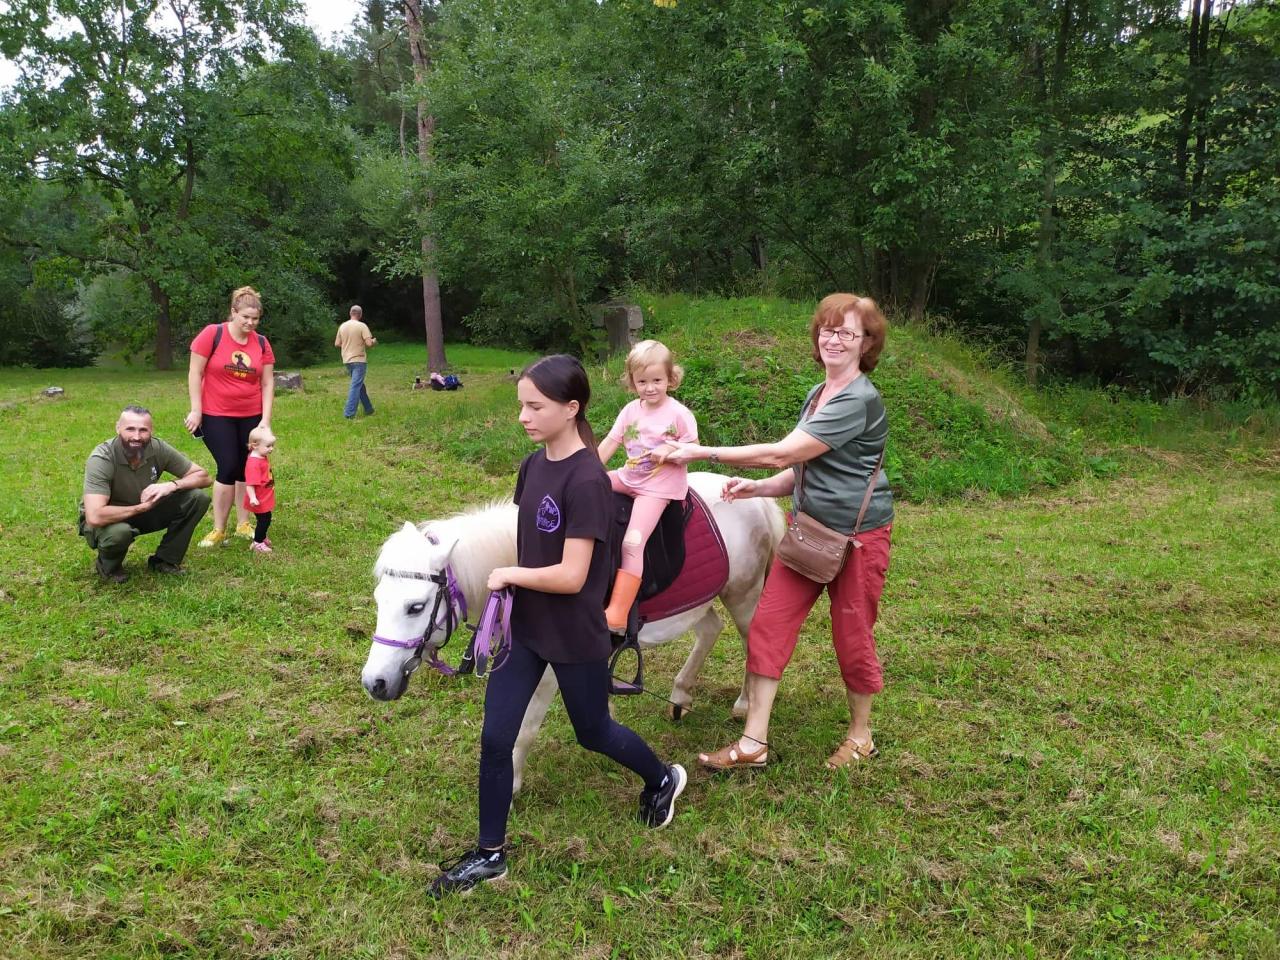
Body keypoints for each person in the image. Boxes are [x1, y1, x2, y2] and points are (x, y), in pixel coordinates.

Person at [429, 354, 687, 898]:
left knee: (594, 733)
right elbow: (534, 543)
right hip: (525, 627)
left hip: (573, 632)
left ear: (571, 408)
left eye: (535, 406)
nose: (523, 416)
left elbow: (572, 575)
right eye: (521, 405)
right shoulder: (532, 466)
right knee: (496, 738)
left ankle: (663, 777)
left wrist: (509, 575)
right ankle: (489, 854)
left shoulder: (588, 479)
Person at [659, 293, 893, 771]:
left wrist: (701, 452)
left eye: (847, 332)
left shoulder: (858, 399)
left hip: (858, 538)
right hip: (808, 531)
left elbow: (783, 452)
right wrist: (762, 488)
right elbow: (804, 465)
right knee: (768, 625)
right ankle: (754, 742)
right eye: (827, 329)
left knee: (852, 637)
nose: (833, 339)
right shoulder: (820, 392)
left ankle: (861, 736)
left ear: (866, 343)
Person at [597, 339, 698, 631]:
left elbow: (694, 447)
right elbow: (611, 443)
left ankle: (618, 611)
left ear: (670, 379)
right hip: (629, 476)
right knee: (586, 488)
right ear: (633, 382)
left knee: (632, 543)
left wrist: (670, 449)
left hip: (658, 488)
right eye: (642, 382)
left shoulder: (678, 414)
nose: (650, 388)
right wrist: (587, 472)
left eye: (657, 381)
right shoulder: (631, 410)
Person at [185, 285, 275, 548]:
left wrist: (265, 421)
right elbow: (195, 373)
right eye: (245, 316)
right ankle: (219, 529)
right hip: (216, 413)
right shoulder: (212, 334)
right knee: (228, 465)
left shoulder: (261, 342)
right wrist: (196, 409)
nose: (250, 322)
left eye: (255, 318)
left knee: (247, 466)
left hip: (251, 414)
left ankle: (243, 523)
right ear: (233, 312)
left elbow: (267, 383)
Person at [80, 405, 212, 582]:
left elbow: (204, 477)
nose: (136, 436)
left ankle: (165, 560)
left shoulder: (157, 448)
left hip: (143, 508)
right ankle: (108, 566)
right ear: (118, 428)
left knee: (197, 498)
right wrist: (141, 508)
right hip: (108, 518)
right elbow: (95, 516)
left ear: (151, 430)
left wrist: (171, 485)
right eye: (130, 429)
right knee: (119, 533)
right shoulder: (102, 458)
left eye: (143, 430)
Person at [335, 304, 376, 419]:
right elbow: (369, 343)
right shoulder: (362, 326)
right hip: (359, 360)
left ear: (350, 313)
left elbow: (337, 343)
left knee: (359, 385)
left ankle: (369, 409)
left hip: (347, 360)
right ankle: (349, 414)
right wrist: (374, 341)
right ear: (360, 315)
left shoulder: (342, 326)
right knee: (356, 386)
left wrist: (347, 345)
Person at [243, 426, 277, 554]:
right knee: (264, 519)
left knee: (265, 518)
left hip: (264, 495)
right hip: (258, 498)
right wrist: (253, 498)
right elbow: (250, 484)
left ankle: (261, 537)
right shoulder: (254, 464)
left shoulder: (261, 455)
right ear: (255, 445)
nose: (271, 449)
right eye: (268, 446)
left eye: (272, 445)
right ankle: (258, 542)